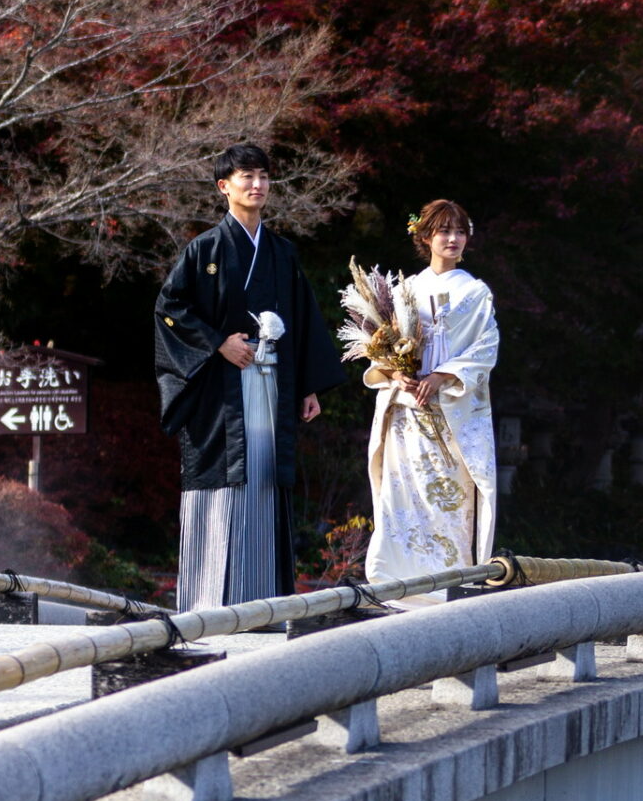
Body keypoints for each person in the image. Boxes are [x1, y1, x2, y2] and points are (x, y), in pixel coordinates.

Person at [155, 143, 343, 610]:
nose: (256, 185)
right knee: (225, 481)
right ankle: (210, 604)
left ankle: (263, 603)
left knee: (264, 476)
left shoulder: (282, 252)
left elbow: (302, 319)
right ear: (225, 187)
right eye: (245, 177)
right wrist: (219, 341)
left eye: (262, 176)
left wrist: (308, 385)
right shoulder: (205, 249)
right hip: (222, 390)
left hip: (273, 383)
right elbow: (170, 308)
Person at [362, 200, 500, 586]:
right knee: (404, 499)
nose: (452, 238)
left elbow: (485, 348)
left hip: (452, 412)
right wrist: (394, 373)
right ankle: (397, 582)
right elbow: (378, 344)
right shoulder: (405, 289)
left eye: (459, 231)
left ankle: (449, 583)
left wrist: (441, 376)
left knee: (448, 501)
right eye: (443, 231)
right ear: (425, 237)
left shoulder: (475, 292)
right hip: (407, 411)